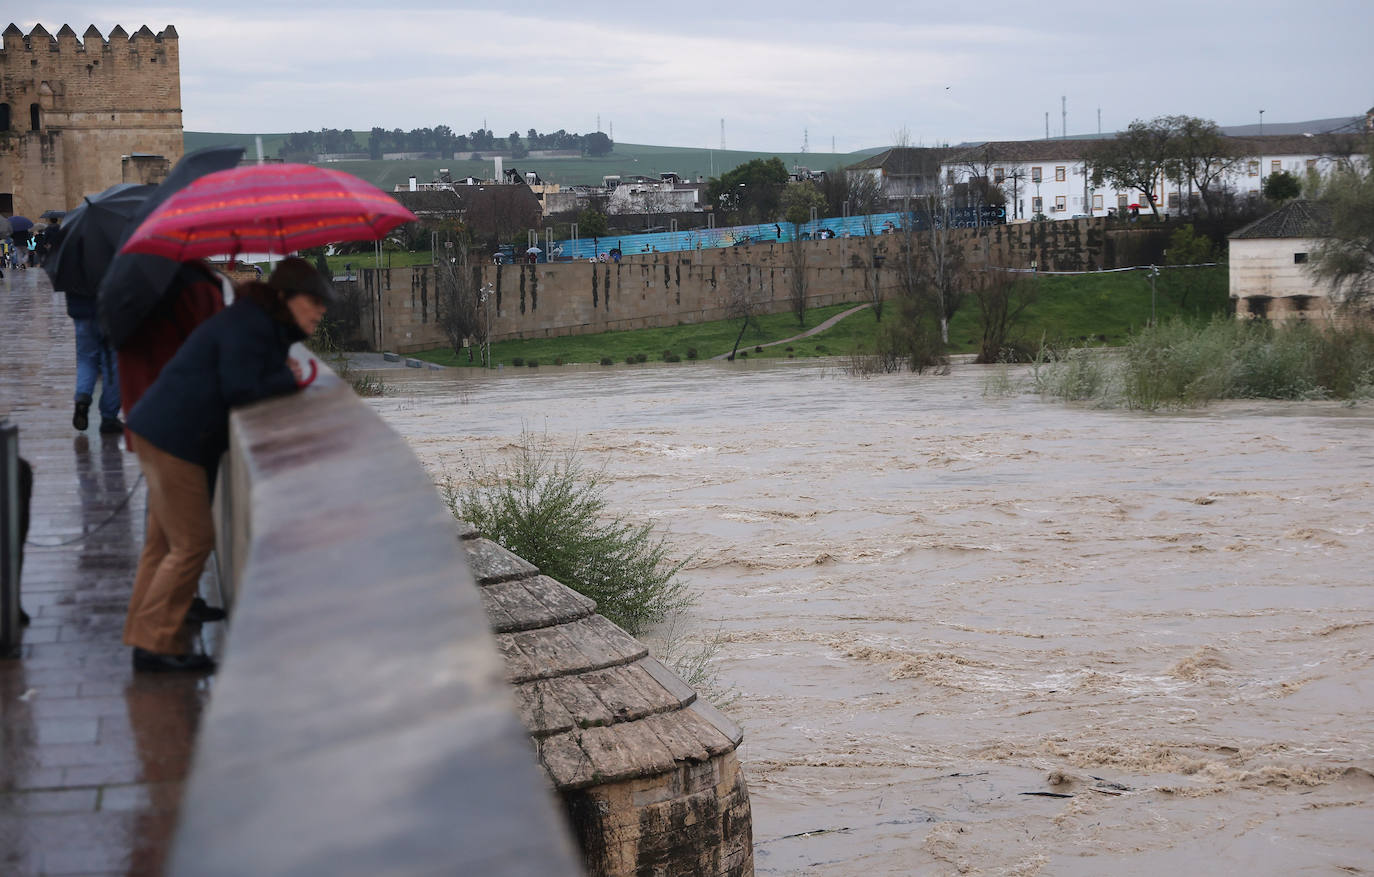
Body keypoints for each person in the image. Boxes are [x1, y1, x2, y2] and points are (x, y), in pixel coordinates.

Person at [122, 258, 332, 672]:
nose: (320, 311)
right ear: (286, 298)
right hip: (175, 440)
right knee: (193, 543)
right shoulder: (250, 323)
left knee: (163, 544)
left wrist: (279, 368)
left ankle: (144, 634)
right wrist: (291, 379)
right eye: (314, 302)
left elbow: (244, 371)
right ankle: (154, 646)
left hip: (159, 428)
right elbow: (240, 387)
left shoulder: (254, 321)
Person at [65, 289, 123, 435]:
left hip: (80, 308)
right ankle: (109, 417)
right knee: (111, 362)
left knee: (86, 358)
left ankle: (82, 397)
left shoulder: (71, 265)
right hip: (109, 308)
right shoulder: (112, 264)